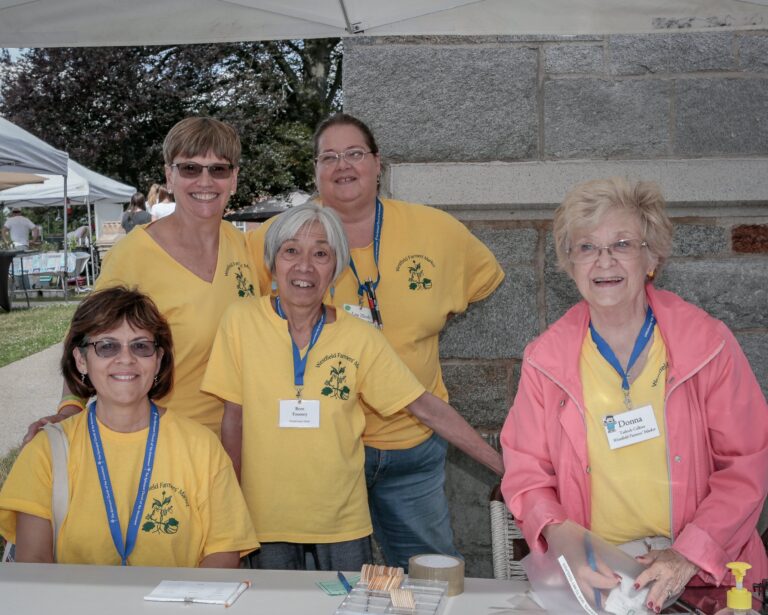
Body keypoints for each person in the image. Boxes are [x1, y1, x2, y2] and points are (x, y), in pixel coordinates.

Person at [246, 113, 505, 570]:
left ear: (378, 163)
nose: (343, 166)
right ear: (315, 169)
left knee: (432, 573)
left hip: (411, 446)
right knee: (323, 591)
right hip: (317, 452)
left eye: (354, 154)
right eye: (329, 157)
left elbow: (485, 280)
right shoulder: (276, 238)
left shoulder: (437, 232)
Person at [500, 177, 768, 613]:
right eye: (586, 247)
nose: (604, 261)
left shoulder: (709, 346)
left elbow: (746, 465)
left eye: (622, 244)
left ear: (652, 256)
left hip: (707, 576)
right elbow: (526, 473)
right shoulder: (544, 361)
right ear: (569, 263)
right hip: (603, 584)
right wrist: (566, 543)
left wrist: (687, 555)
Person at [203, 204, 502, 571]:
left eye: (321, 254)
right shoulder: (241, 321)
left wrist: (503, 467)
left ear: (336, 267)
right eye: (291, 251)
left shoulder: (359, 337)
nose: (304, 266)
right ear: (273, 262)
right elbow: (234, 419)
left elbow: (424, 406)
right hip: (264, 519)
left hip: (341, 522)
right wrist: (231, 507)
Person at [25, 116, 256, 439]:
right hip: (163, 440)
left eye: (219, 169)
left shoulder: (242, 244)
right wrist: (71, 408)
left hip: (237, 437)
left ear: (234, 179)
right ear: (169, 176)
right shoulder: (132, 255)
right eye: (190, 168)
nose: (205, 181)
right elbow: (84, 340)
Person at [0, 286, 260, 566]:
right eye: (107, 346)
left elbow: (223, 554)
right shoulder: (45, 452)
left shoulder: (202, 447)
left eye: (140, 346)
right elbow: (35, 563)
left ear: (158, 360)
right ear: (80, 360)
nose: (126, 358)